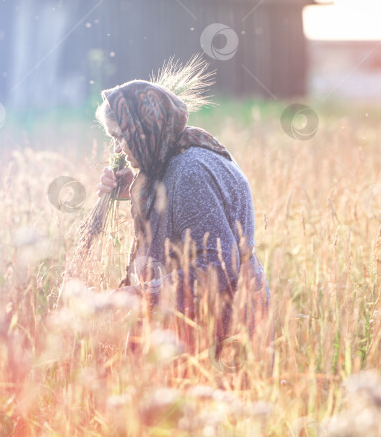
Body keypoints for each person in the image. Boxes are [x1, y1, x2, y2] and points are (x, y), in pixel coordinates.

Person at [94, 69, 270, 354]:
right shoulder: (180, 156)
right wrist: (135, 189)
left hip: (221, 332)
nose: (117, 148)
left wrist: (140, 294)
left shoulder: (191, 171)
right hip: (204, 325)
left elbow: (216, 266)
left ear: (142, 130)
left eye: (120, 136)